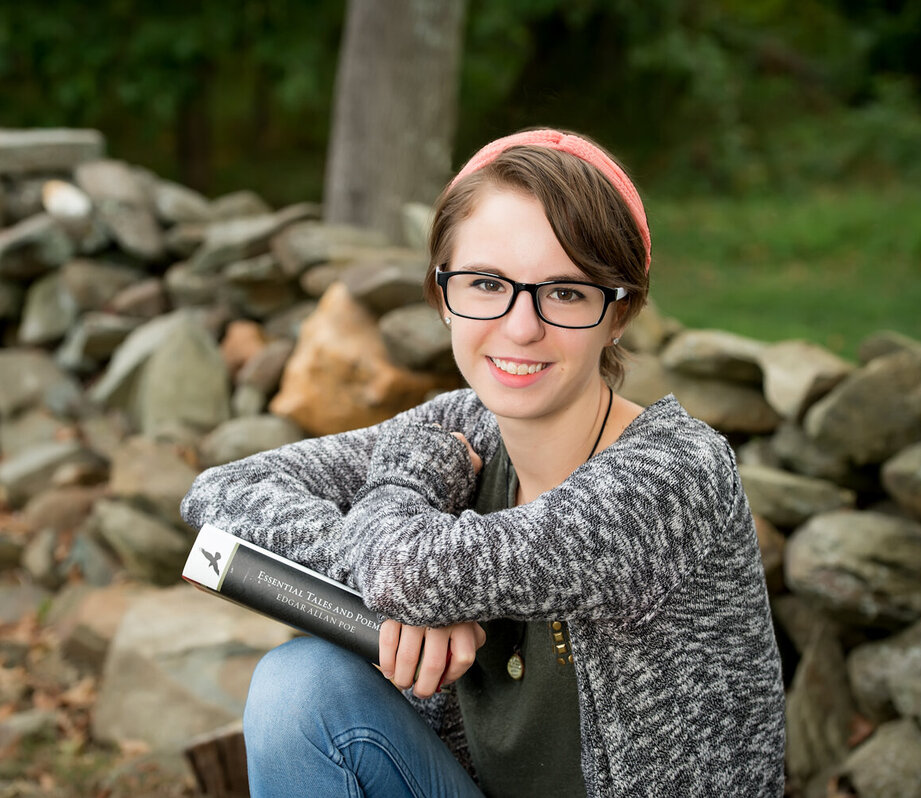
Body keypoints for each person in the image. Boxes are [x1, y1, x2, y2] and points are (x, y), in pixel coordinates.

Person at [180, 129, 785, 797]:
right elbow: (221, 494)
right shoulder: (462, 426)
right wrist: (405, 605)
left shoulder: (673, 475)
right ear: (443, 295)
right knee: (301, 688)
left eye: (565, 292)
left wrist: (408, 522)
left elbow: (405, 566)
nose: (521, 327)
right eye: (487, 283)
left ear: (620, 313)